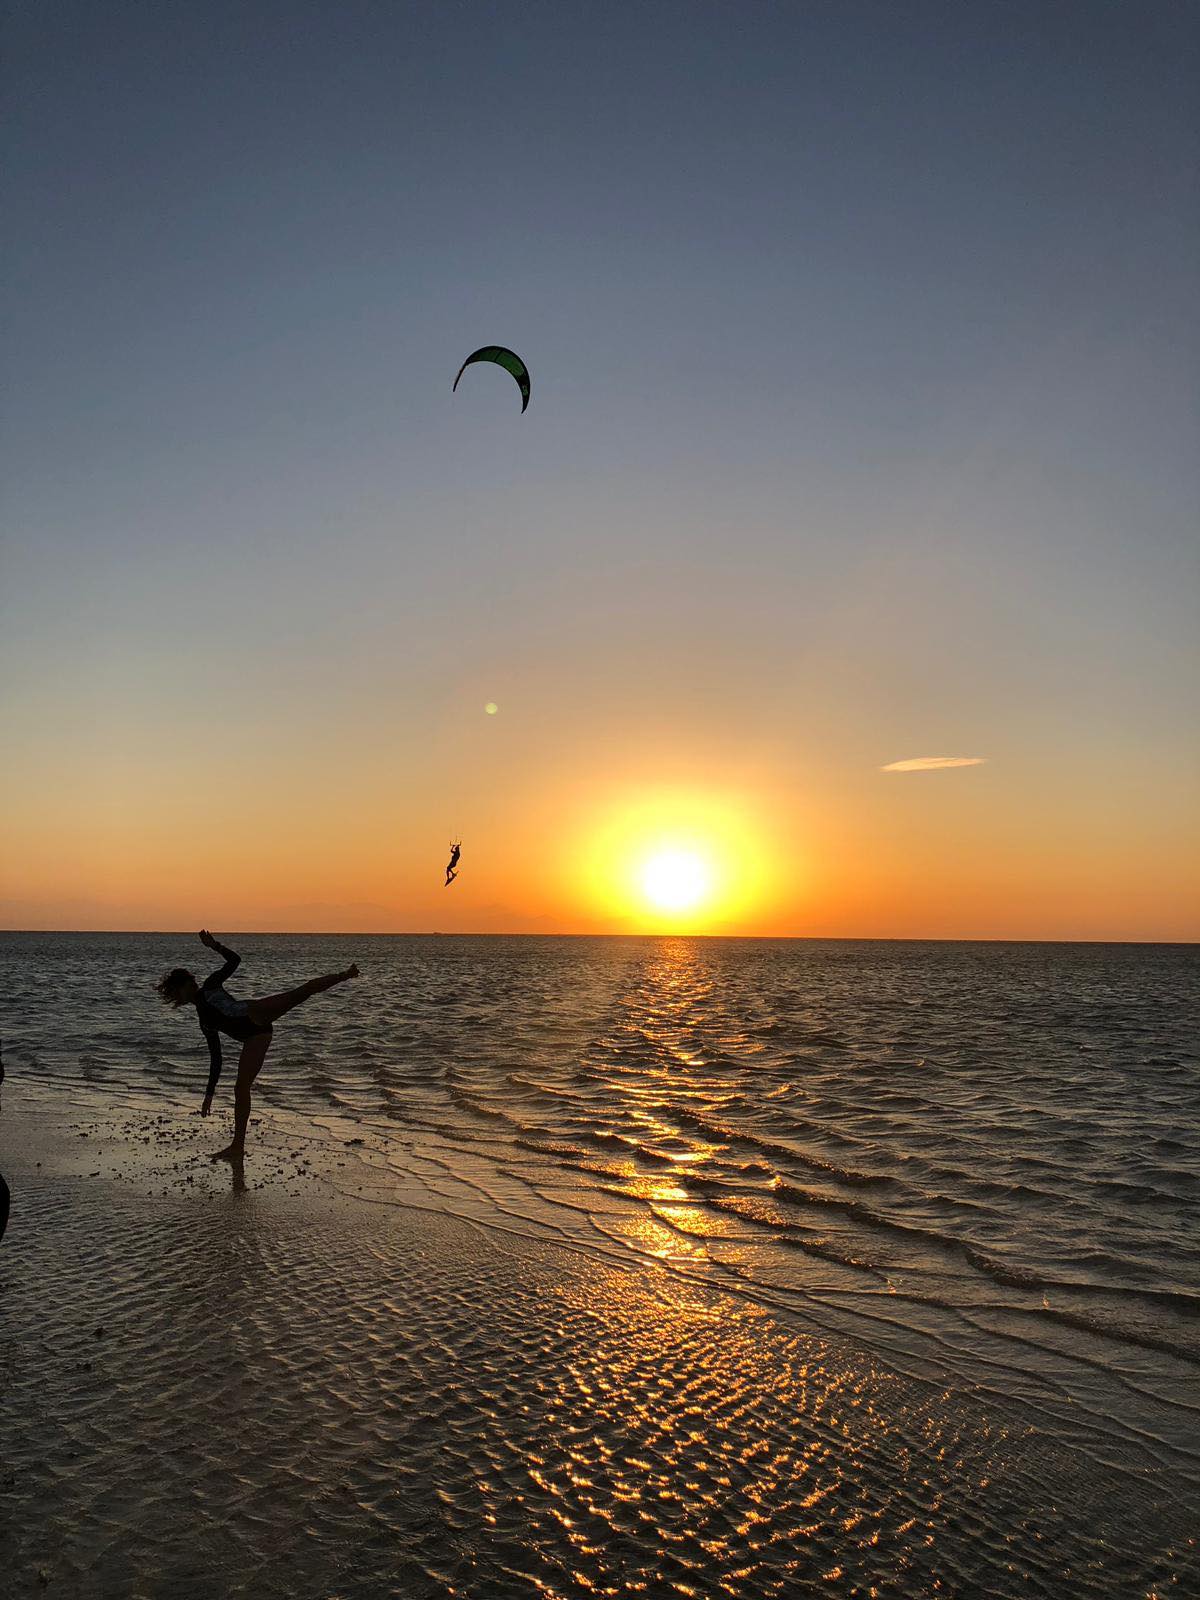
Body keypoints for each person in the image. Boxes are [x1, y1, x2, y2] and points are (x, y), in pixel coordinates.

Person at [156, 931, 358, 1163]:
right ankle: (237, 1148)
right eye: (173, 994)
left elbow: (235, 961)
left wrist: (214, 946)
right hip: (256, 1037)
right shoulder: (204, 1021)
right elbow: (216, 1058)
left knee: (301, 992)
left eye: (176, 990)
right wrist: (209, 1094)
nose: (176, 997)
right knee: (241, 1088)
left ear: (187, 985)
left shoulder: (210, 986)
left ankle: (346, 974)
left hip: (256, 1013)